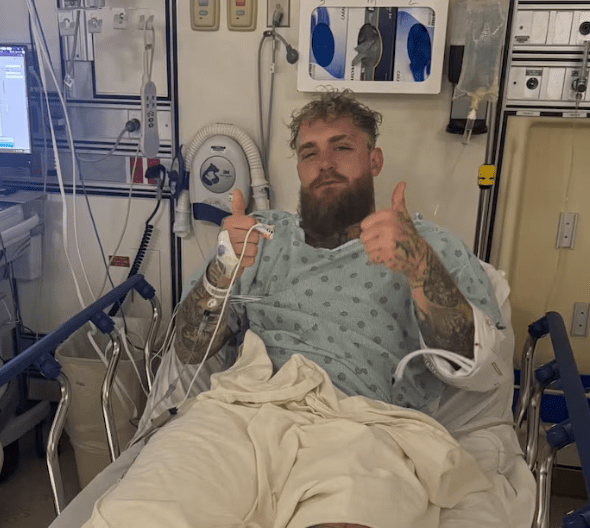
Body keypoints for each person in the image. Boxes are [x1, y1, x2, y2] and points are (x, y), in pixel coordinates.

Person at [173, 89, 503, 413]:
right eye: (309, 154)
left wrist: (421, 268)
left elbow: (476, 367)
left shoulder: (427, 246)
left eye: (342, 147)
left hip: (361, 424)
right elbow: (189, 350)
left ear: (374, 161)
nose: (325, 164)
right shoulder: (257, 238)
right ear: (299, 169)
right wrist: (222, 269)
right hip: (247, 413)